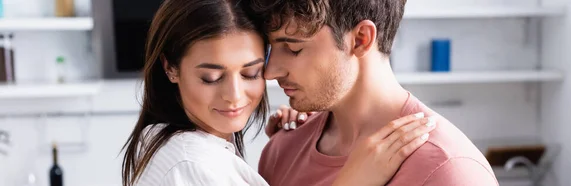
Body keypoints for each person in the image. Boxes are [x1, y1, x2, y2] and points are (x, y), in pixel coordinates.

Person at [119, 0, 437, 185]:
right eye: (211, 77)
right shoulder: (191, 163)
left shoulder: (175, 142)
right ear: (170, 68)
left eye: (251, 72)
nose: (234, 95)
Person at [250, 0, 500, 185]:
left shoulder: (449, 171)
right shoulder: (281, 150)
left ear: (361, 39)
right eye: (271, 48)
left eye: (293, 49)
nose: (270, 72)